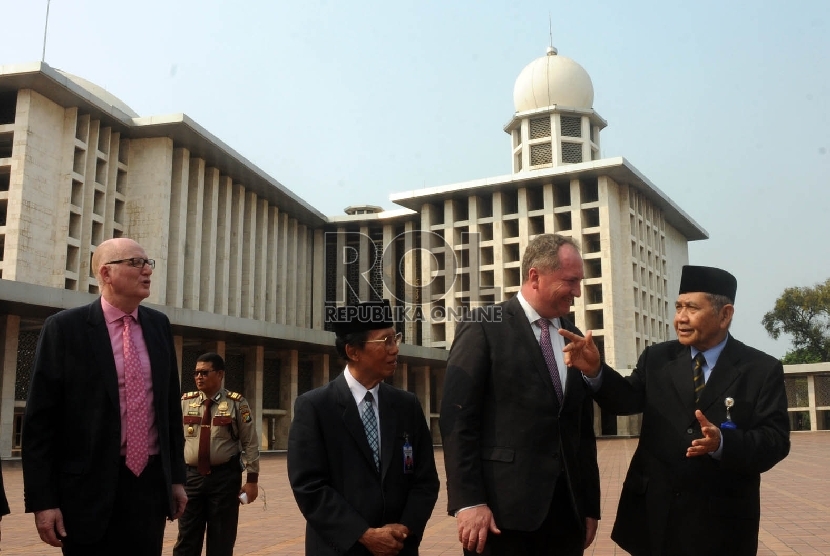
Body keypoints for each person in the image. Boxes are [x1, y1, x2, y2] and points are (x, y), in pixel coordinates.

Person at [560, 265, 791, 556]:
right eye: (678, 307)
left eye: (692, 308)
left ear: (725, 314)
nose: (680, 318)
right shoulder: (657, 358)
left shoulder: (760, 369)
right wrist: (596, 371)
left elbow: (776, 440)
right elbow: (626, 400)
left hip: (722, 523)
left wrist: (723, 443)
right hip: (655, 516)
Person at [22, 237, 187, 555]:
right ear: (106, 273)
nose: (147, 271)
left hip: (148, 486)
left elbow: (168, 411)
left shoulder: (158, 326)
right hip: (86, 492)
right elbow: (40, 423)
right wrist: (44, 502)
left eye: (148, 263)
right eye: (136, 263)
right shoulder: (65, 329)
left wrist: (176, 479)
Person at [440, 233, 600, 556]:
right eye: (570, 281)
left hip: (565, 517)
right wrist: (469, 502)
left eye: (579, 282)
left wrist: (589, 505)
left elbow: (581, 429)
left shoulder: (575, 336)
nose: (578, 293)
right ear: (535, 277)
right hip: (502, 518)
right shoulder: (484, 325)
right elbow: (458, 420)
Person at [288, 300, 440, 556]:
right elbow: (309, 487)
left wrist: (404, 528)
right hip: (339, 548)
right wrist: (364, 535)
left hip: (398, 547)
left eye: (396, 339)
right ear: (353, 351)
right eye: (386, 341)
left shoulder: (407, 405)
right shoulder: (315, 407)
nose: (395, 349)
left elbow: (425, 480)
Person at [174, 352, 260, 556]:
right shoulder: (185, 402)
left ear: (220, 374)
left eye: (204, 372)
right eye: (196, 373)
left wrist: (252, 480)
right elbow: (175, 442)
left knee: (221, 539)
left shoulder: (236, 403)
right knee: (187, 538)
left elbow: (250, 443)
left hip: (224, 479)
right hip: (191, 479)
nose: (198, 377)